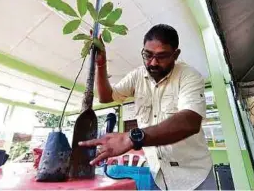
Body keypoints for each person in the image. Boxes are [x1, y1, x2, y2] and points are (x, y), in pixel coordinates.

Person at [79, 24, 217, 190]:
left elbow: (190, 121)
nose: (153, 63)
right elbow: (106, 96)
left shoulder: (189, 76)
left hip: (195, 178)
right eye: (147, 55)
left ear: (176, 54)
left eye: (162, 56)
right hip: (159, 176)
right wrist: (101, 65)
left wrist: (130, 138)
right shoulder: (138, 75)